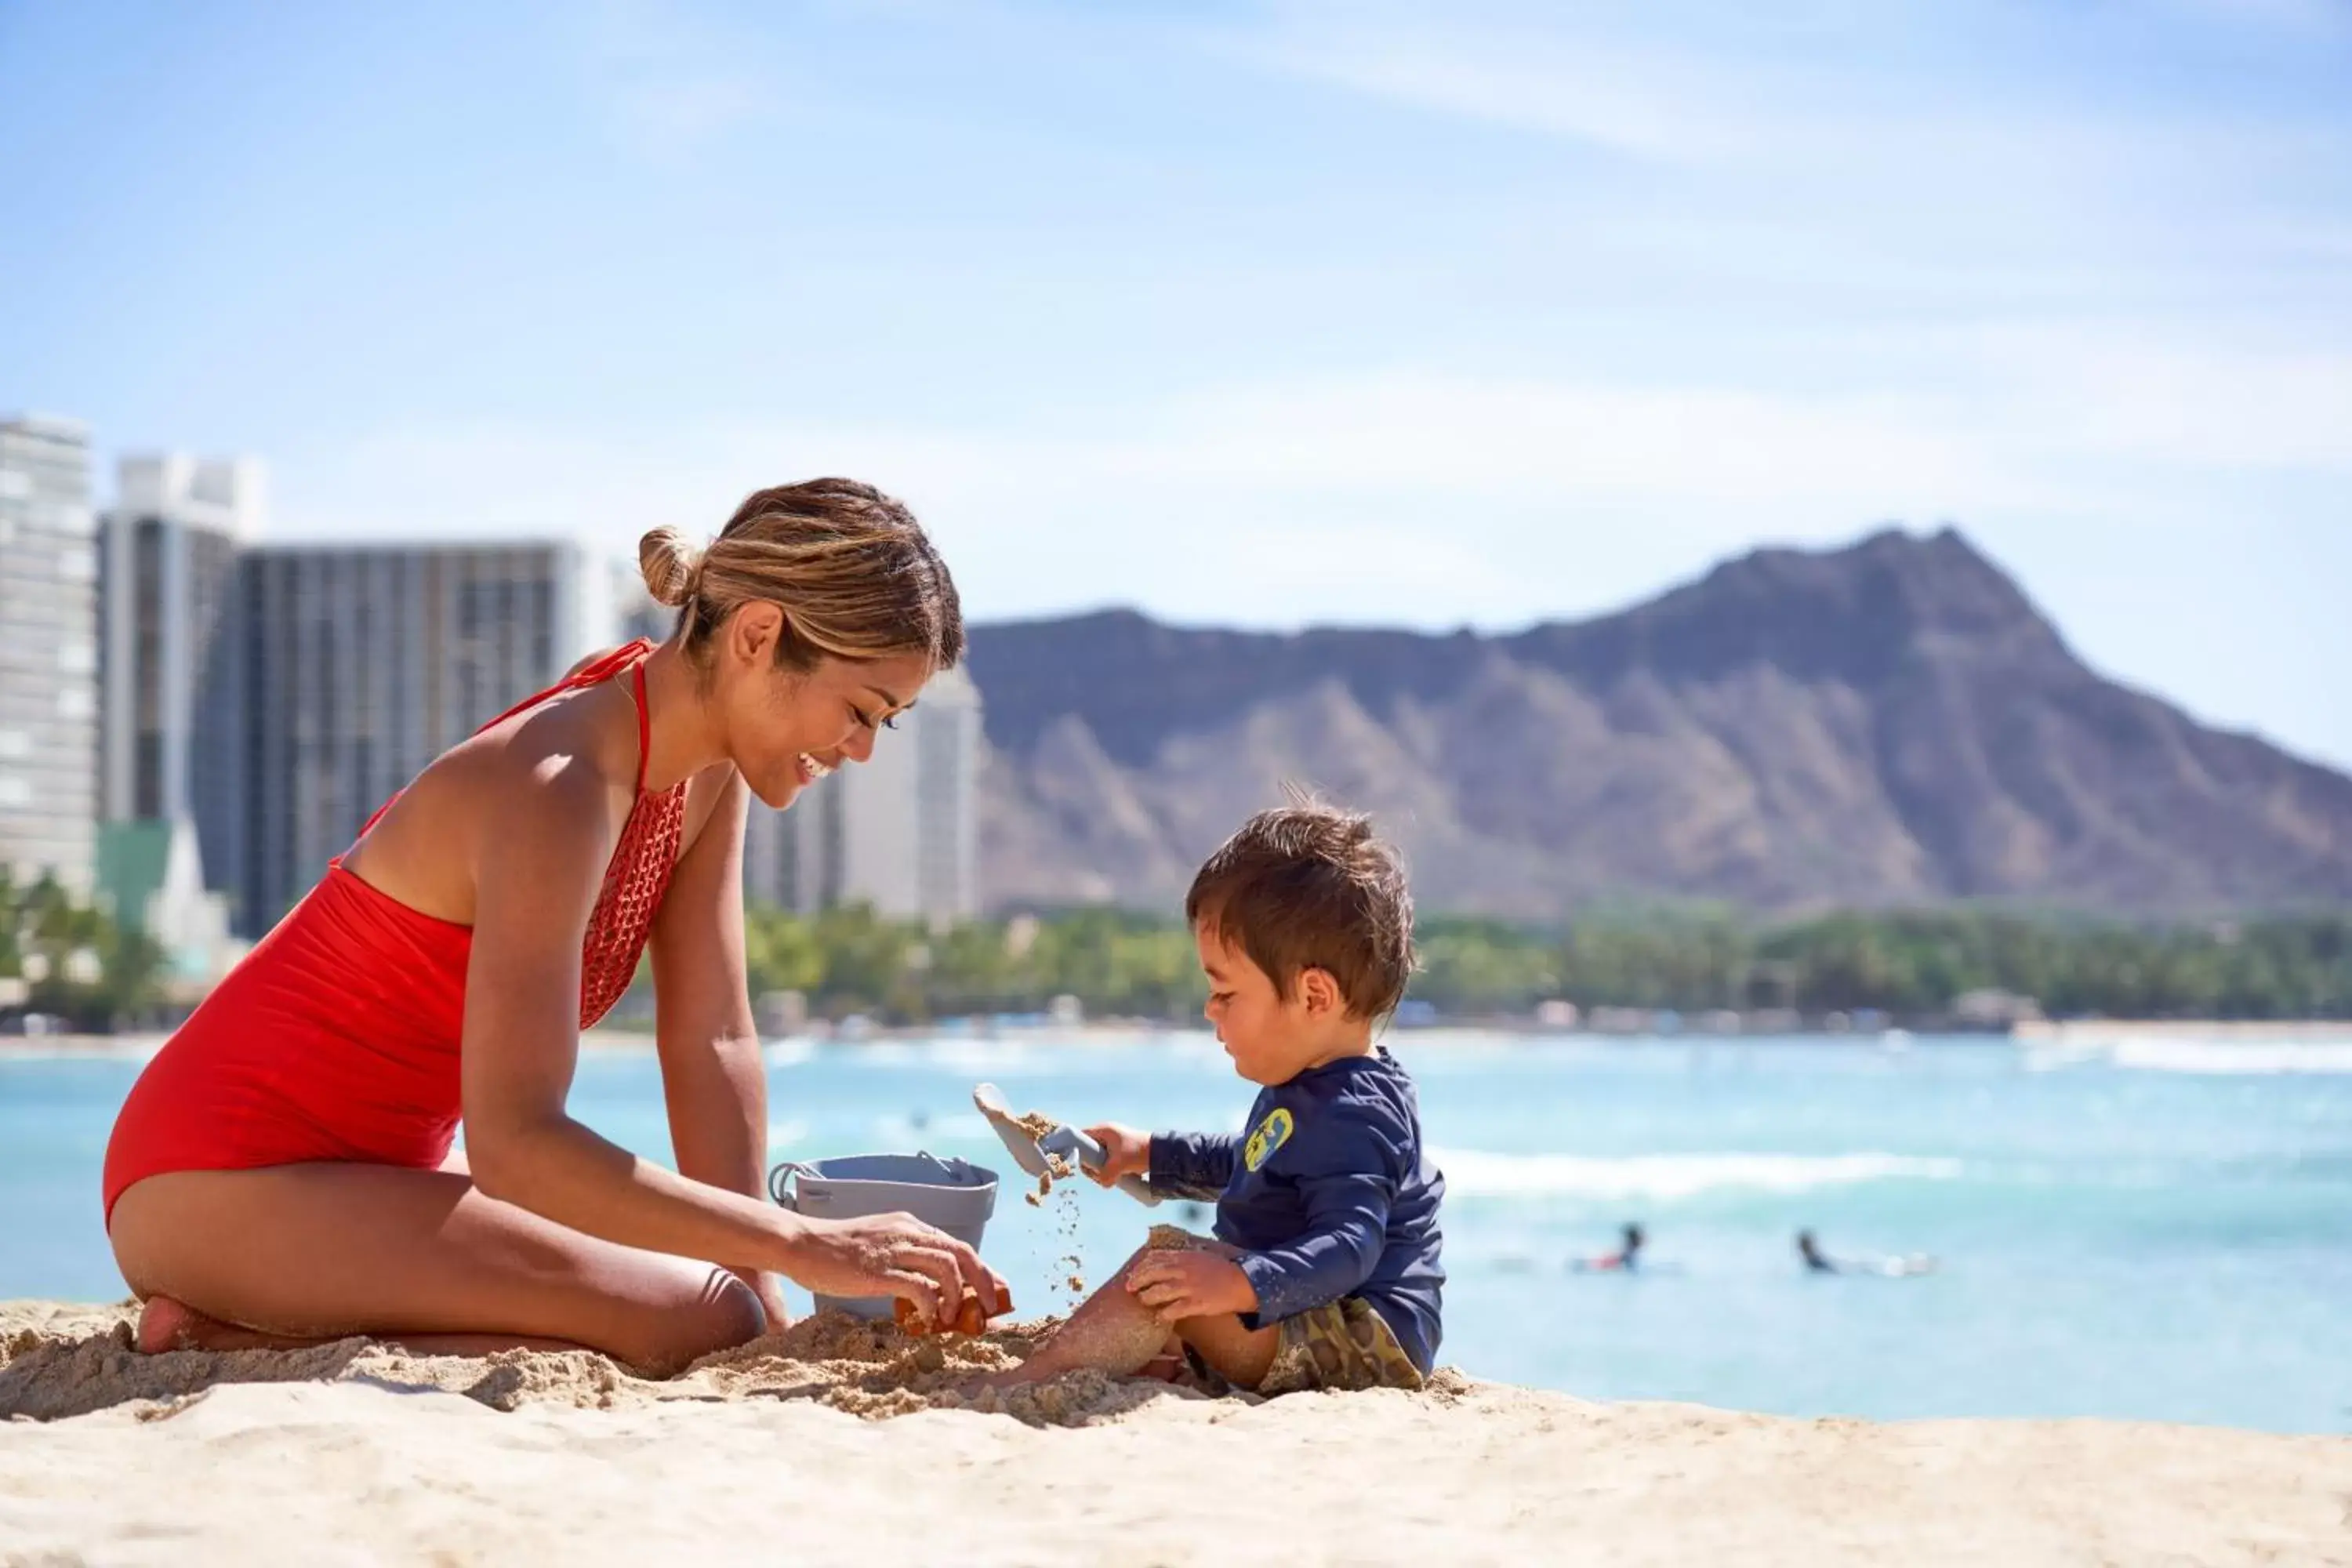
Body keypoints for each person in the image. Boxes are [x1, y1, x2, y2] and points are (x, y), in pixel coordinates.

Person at [103, 481, 1007, 1372]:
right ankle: (237, 1330)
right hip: (217, 1179)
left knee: (722, 1304)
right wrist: (804, 1240)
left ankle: (252, 1327)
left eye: (885, 720)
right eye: (858, 710)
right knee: (696, 1315)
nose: (862, 749)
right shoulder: (560, 786)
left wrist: (765, 1279)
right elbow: (516, 1144)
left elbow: (712, 1039)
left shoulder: (703, 770)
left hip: (375, 1181)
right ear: (758, 635)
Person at [990, 802, 1444, 1396]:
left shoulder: (1355, 1109)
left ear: (1313, 996)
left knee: (1164, 1270)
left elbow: (1350, 1246)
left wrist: (1242, 1282)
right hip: (1312, 1315)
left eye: (1226, 992)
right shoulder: (1314, 1086)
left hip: (1362, 1343)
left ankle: (1028, 1383)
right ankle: (1163, 1356)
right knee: (1179, 1285)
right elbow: (1254, 1163)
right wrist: (1151, 1153)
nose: (1211, 1010)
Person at [1575, 1222, 1646, 1273]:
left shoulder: (1628, 1252)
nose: (1642, 1239)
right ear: (1634, 1239)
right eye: (1639, 1237)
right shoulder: (1629, 1254)